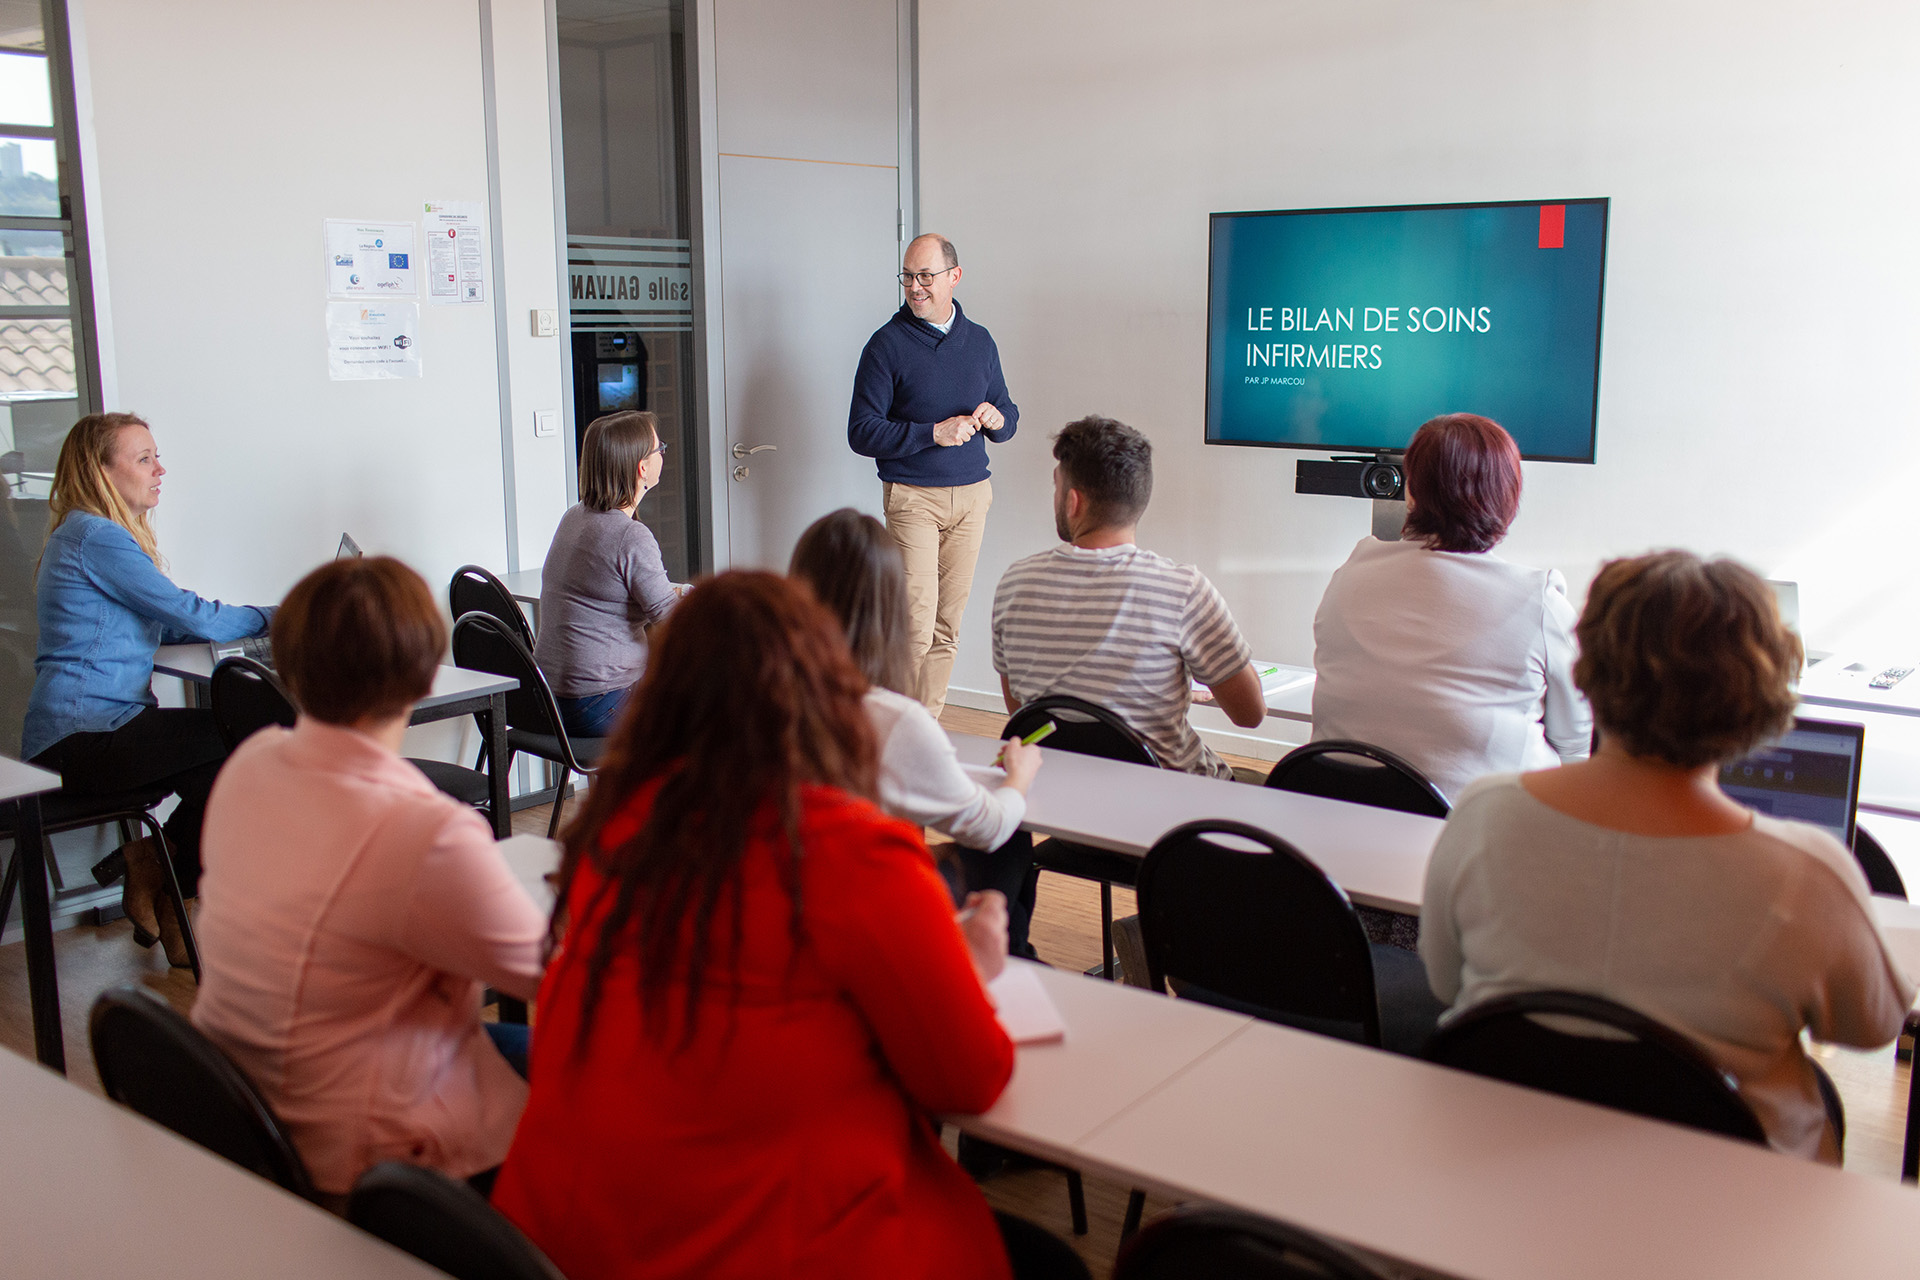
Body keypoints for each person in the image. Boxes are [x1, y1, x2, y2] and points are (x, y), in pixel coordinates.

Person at [493, 571, 1055, 1280]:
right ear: (824, 691)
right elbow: (970, 1080)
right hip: (762, 1245)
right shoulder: (859, 855)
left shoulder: (616, 833)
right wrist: (969, 965)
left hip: (570, 1240)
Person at [1420, 550, 1913, 1163]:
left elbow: (1444, 981)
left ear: (1589, 669)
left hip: (1507, 1151)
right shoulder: (1807, 872)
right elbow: (1872, 1028)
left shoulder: (1483, 812)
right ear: (1757, 697)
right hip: (1732, 1185)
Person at [191, 556, 545, 1199]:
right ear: (424, 674)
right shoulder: (423, 833)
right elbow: (558, 975)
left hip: (249, 1113)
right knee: (610, 1085)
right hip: (375, 1156)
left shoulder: (250, 765)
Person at [23, 412, 273, 966]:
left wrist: (244, 625)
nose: (160, 469)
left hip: (96, 730)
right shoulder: (96, 536)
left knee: (222, 768)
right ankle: (162, 877)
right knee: (252, 740)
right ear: (102, 472)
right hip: (81, 738)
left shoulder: (89, 535)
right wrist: (282, 616)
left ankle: (159, 878)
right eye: (143, 459)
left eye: (156, 457)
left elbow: (166, 624)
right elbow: (193, 615)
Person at [1311, 412, 1591, 805]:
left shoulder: (1349, 576)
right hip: (1480, 830)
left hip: (1338, 814)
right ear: (1508, 496)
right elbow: (1574, 747)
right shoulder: (1539, 601)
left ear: (1411, 492)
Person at [993, 414, 1266, 777]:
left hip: (1062, 790)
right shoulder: (1183, 590)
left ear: (1073, 501)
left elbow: (1021, 711)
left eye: (1056, 487)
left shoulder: (1014, 584)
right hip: (1170, 802)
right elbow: (1250, 715)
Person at [790, 508, 1040, 868]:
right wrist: (1019, 776)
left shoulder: (765, 697)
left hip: (798, 877)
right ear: (891, 605)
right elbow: (989, 828)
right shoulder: (894, 719)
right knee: (1008, 844)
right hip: (863, 885)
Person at [848, 232, 1018, 719]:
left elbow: (1008, 416)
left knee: (947, 628)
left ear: (954, 277)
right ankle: (888, 729)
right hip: (913, 499)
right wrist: (932, 433)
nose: (914, 287)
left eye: (925, 276)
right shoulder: (885, 345)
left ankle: (926, 730)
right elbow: (861, 432)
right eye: (907, 277)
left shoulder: (980, 341)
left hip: (972, 497)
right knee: (915, 628)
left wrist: (997, 419)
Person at [533, 409, 678, 739]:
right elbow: (674, 621)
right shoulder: (630, 536)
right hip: (598, 703)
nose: (663, 454)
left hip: (547, 700)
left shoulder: (574, 517)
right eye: (660, 449)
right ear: (642, 468)